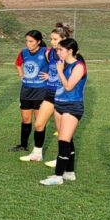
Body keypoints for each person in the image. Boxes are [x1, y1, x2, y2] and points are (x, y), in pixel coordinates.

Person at [19, 22, 73, 165]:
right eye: (51, 39)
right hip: (49, 93)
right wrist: (50, 76)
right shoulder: (50, 53)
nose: (52, 42)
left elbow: (72, 74)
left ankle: (62, 158)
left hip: (62, 95)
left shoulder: (69, 55)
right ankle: (37, 154)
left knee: (62, 129)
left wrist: (58, 77)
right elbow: (50, 68)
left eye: (55, 39)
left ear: (64, 39)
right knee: (39, 124)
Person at [40, 38, 86, 186]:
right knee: (67, 139)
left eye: (61, 49)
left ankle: (58, 176)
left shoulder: (78, 66)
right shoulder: (62, 63)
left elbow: (68, 86)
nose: (58, 52)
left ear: (70, 51)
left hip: (72, 107)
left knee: (63, 141)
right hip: (59, 105)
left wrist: (59, 71)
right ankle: (69, 172)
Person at [10, 30, 48, 153]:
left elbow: (58, 65)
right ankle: (23, 145)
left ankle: (37, 149)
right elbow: (17, 64)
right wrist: (21, 75)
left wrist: (50, 76)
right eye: (26, 41)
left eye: (31, 41)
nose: (28, 44)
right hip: (26, 90)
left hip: (41, 90)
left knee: (39, 122)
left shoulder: (46, 52)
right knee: (26, 119)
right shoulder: (24, 52)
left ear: (39, 42)